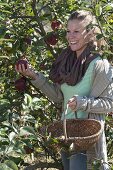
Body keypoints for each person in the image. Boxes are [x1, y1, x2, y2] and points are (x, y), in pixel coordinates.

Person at [15, 10, 113, 170]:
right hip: (66, 136)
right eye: (68, 31)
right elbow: (59, 97)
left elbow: (110, 104)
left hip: (87, 140)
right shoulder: (66, 61)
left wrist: (83, 103)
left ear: (89, 34)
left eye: (76, 31)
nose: (70, 36)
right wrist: (33, 75)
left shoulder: (100, 65)